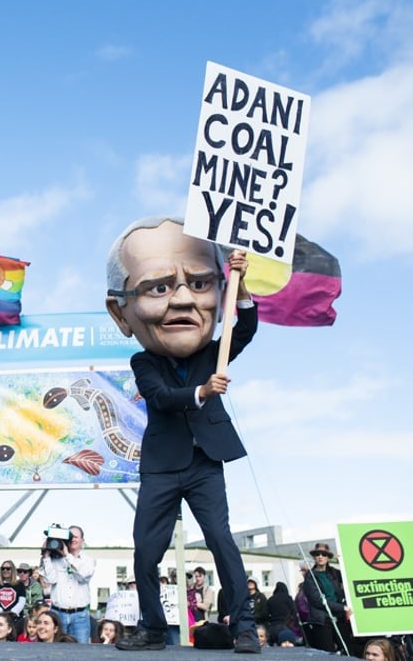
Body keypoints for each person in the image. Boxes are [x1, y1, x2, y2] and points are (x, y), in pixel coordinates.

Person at [106, 216, 259, 654]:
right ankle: (153, 628)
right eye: (158, 288)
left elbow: (244, 327)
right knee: (145, 551)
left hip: (205, 462)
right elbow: (162, 397)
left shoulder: (213, 351)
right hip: (162, 467)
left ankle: (244, 627)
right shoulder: (144, 362)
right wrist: (201, 391)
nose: (181, 301)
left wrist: (240, 282)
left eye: (199, 283)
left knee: (221, 542)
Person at [40, 524, 95, 643]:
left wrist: (67, 556)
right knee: (56, 652)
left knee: (81, 653)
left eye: (76, 537)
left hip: (79, 615)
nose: (73, 539)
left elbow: (83, 576)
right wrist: (46, 555)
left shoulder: (88, 560)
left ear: (82, 540)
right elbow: (50, 580)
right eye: (70, 536)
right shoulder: (55, 559)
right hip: (57, 613)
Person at [302, 542, 352, 653]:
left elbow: (349, 575)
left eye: (324, 554)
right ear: (314, 557)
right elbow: (317, 601)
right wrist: (343, 608)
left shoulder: (334, 572)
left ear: (328, 558)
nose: (320, 556)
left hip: (338, 617)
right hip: (322, 619)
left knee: (348, 650)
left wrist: (341, 561)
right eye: (317, 554)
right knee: (327, 652)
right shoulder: (310, 576)